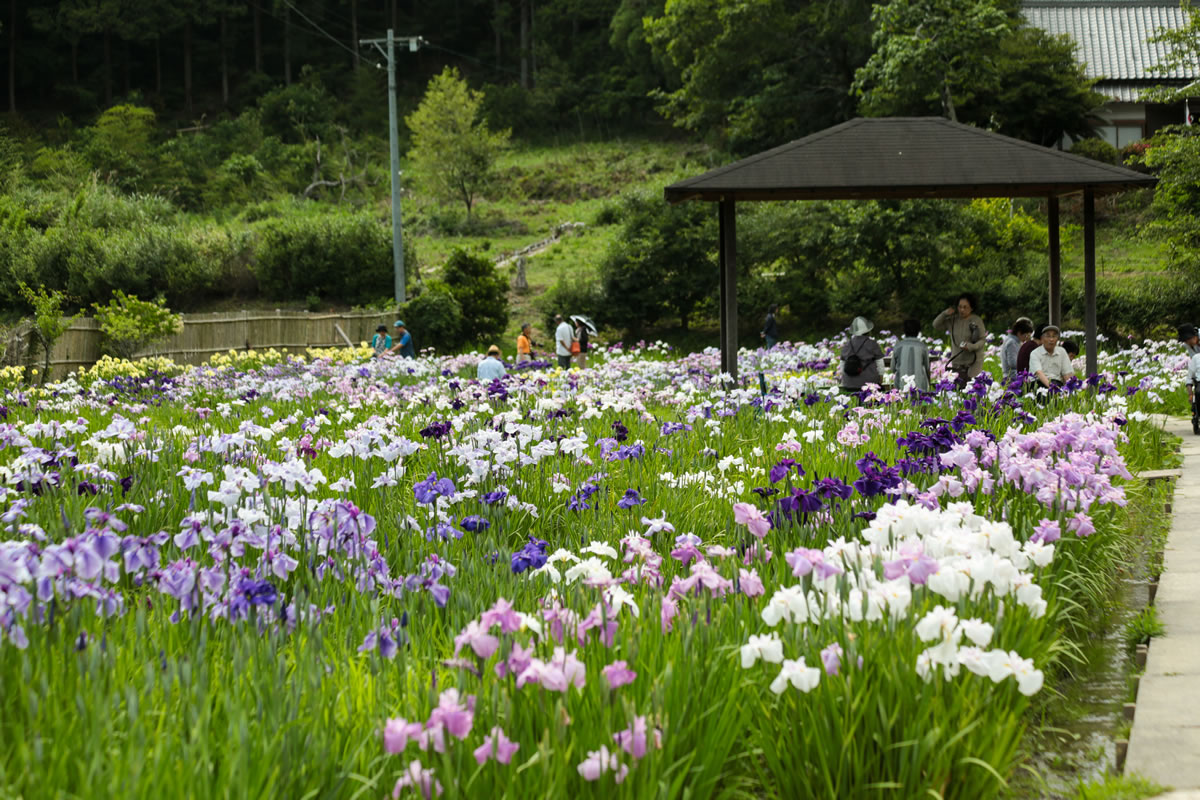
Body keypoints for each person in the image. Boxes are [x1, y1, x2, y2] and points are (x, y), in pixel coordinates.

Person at [933, 293, 987, 389]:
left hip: (973, 363)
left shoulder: (977, 320)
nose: (962, 310)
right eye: (960, 307)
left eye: (965, 307)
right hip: (957, 363)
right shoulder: (953, 320)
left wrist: (971, 346)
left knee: (972, 390)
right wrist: (944, 313)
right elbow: (936, 325)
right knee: (958, 390)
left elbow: (982, 340)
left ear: (971, 308)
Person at [840, 316, 885, 392]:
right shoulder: (872, 343)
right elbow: (880, 363)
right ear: (868, 330)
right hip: (869, 384)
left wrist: (845, 381)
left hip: (849, 384)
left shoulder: (847, 344)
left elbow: (842, 365)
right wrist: (880, 378)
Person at [1029, 324, 1076, 389]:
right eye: (1048, 336)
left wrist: (1070, 389)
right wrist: (1052, 387)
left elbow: (1067, 373)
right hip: (1039, 384)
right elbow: (1038, 373)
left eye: (1054, 336)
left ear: (1057, 339)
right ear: (1042, 339)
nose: (1051, 339)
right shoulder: (1035, 353)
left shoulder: (1062, 351)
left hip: (1057, 383)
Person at [891, 319, 930, 391]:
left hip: (901, 387)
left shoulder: (898, 346)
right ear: (918, 331)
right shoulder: (922, 346)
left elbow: (893, 368)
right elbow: (927, 367)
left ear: (904, 331)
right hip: (920, 387)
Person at [1000, 318, 1033, 384]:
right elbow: (1013, 363)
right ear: (1019, 333)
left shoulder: (1012, 340)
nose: (1026, 337)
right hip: (1012, 378)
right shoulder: (1012, 342)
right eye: (1026, 335)